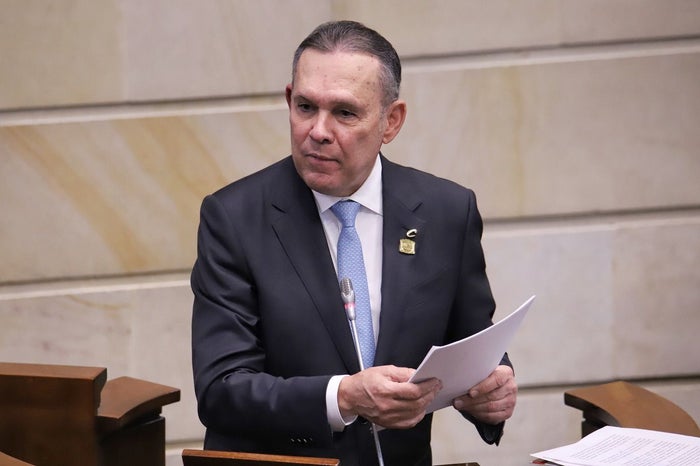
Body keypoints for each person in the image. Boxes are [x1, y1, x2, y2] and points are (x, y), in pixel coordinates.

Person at [191, 20, 517, 466]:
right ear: (289, 100)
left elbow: (475, 344)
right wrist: (343, 397)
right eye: (306, 107)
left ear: (391, 121)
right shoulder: (234, 218)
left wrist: (493, 390)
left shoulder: (446, 211)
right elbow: (221, 389)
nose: (318, 131)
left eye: (344, 113)